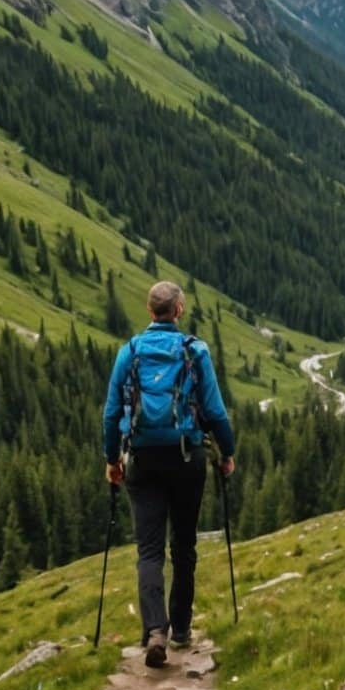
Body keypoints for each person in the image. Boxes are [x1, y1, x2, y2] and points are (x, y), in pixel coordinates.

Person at [103, 281, 236, 668]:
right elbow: (215, 410)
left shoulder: (128, 352)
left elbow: (112, 413)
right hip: (186, 458)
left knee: (148, 550)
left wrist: (113, 460)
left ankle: (154, 631)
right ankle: (180, 629)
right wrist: (226, 453)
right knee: (184, 546)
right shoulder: (195, 351)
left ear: (150, 312)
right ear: (178, 310)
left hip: (142, 460)